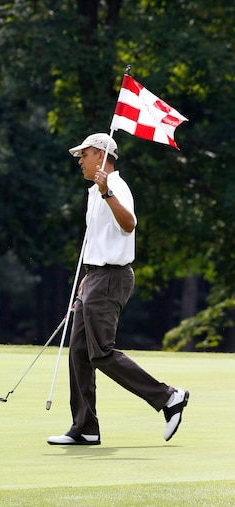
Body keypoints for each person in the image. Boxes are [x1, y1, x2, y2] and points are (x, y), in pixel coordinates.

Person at [47, 133, 189, 446]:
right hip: (96, 276)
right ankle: (85, 427)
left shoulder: (115, 188)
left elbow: (129, 224)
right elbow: (101, 240)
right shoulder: (95, 191)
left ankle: (169, 397)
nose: (80, 161)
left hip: (112, 278)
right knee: (80, 353)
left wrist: (107, 191)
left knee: (101, 352)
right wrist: (88, 275)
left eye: (83, 155)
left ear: (100, 154)